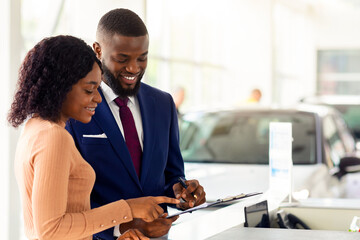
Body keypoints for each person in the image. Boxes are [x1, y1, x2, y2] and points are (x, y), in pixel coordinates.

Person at [8, 35, 180, 240]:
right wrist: (128, 208)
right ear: (60, 87)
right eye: (89, 89)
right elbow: (50, 230)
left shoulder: (34, 127)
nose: (98, 98)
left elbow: (55, 225)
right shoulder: (54, 137)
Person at [66, 9, 206, 239]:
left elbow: (172, 173)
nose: (134, 68)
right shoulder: (75, 108)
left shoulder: (163, 103)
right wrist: (122, 227)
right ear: (98, 50)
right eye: (122, 59)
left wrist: (182, 192)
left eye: (142, 58)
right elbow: (70, 202)